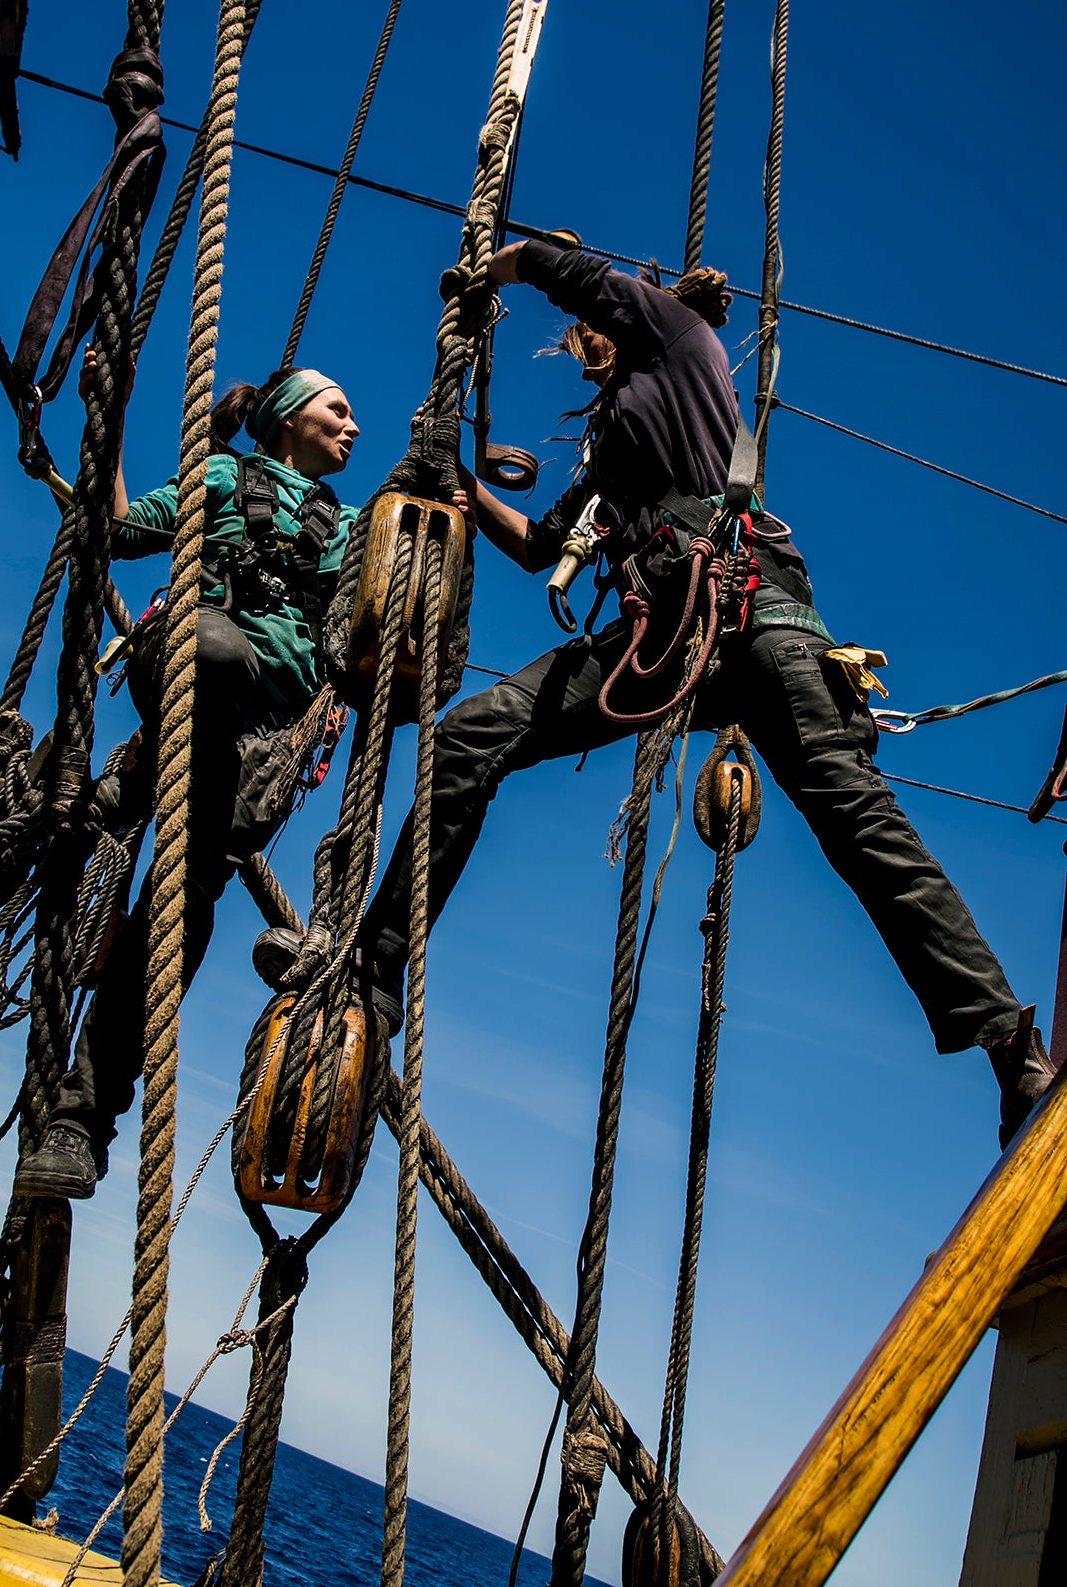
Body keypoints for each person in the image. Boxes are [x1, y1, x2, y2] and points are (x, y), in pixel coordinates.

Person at [356, 237, 1056, 1148]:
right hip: (658, 636)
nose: (587, 335)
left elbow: (581, 276)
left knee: (855, 819)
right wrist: (459, 484)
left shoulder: (682, 340)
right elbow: (540, 547)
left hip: (750, 611)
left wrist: (500, 266)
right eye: (581, 334)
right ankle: (377, 970)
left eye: (596, 324)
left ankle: (1010, 1045)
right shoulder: (611, 442)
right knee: (471, 735)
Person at [16, 360, 362, 1199]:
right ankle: (123, 789)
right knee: (216, 648)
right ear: (286, 417)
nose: (353, 426)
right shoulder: (220, 476)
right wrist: (113, 412)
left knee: (181, 908)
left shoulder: (352, 528)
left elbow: (366, 643)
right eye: (337, 409)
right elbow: (125, 530)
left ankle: (80, 1123)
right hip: (190, 668)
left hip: (257, 750)